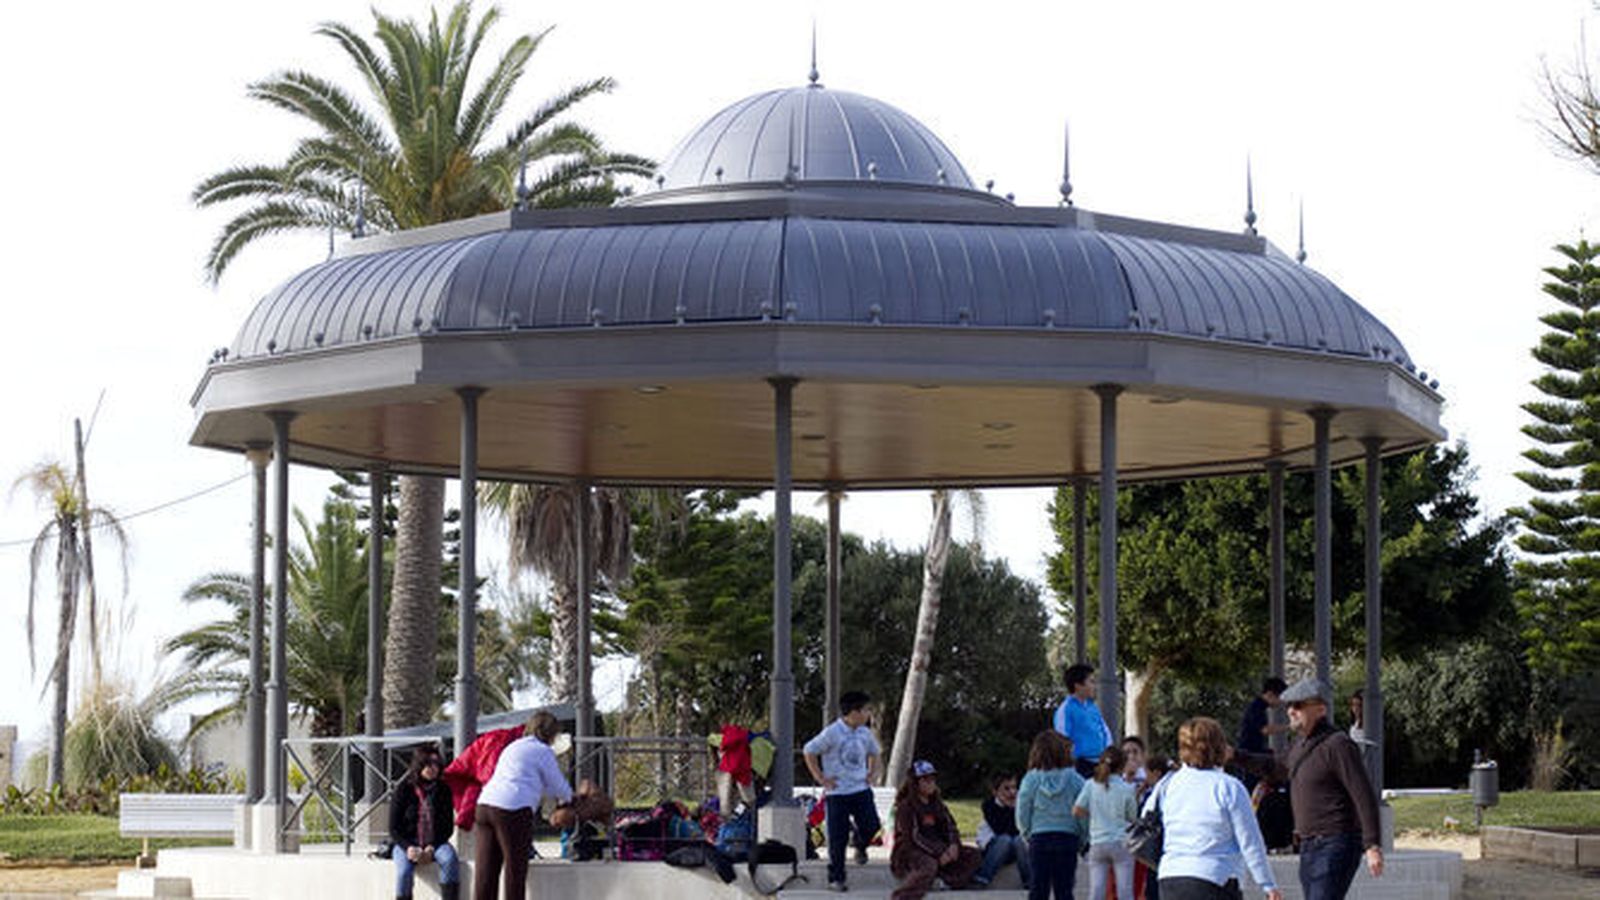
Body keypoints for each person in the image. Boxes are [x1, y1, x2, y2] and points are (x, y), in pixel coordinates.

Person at [1237, 679, 1383, 900]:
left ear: (1320, 709)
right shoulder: (1299, 745)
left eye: (1299, 706)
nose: (1291, 711)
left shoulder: (1338, 744)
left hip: (1336, 841)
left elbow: (1362, 794)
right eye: (1289, 706)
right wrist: (1234, 756)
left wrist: (1372, 844)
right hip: (1308, 844)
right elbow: (1274, 767)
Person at [1149, 717, 1281, 900]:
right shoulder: (1229, 787)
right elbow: (1250, 840)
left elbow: (1146, 818)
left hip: (1171, 876)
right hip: (1215, 876)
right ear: (1220, 748)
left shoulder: (1168, 784)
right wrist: (1267, 884)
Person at [473, 710, 573, 900]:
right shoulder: (543, 751)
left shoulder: (514, 746)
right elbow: (557, 784)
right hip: (512, 809)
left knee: (486, 870)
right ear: (550, 734)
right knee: (515, 869)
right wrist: (571, 797)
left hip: (485, 805)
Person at [803, 690, 883, 892]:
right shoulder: (833, 732)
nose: (867, 714)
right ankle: (836, 878)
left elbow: (875, 752)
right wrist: (821, 778)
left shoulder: (865, 733)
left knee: (872, 824)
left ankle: (859, 842)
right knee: (837, 838)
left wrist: (872, 773)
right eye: (865, 710)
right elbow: (809, 750)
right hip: (837, 793)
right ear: (853, 712)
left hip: (860, 789)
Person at [889, 760, 982, 899]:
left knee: (973, 855)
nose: (931, 783)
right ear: (915, 782)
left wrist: (953, 845)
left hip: (940, 848)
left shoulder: (937, 804)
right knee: (928, 865)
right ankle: (903, 896)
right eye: (926, 780)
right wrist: (939, 853)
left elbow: (951, 826)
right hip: (911, 851)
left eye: (932, 779)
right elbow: (913, 837)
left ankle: (944, 882)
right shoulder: (906, 807)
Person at [1017, 730, 1087, 900]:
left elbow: (1022, 810)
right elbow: (1084, 813)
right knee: (1064, 890)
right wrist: (1083, 838)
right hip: (1068, 837)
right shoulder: (1076, 780)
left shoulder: (1030, 779)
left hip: (1039, 837)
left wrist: (1026, 833)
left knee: (1038, 889)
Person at [389, 745, 460, 900]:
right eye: (428, 764)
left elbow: (448, 827)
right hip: (407, 842)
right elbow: (393, 828)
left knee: (449, 859)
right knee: (404, 872)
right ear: (419, 765)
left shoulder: (443, 790)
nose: (432, 768)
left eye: (436, 764)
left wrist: (432, 847)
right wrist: (408, 848)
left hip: (436, 842)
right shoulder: (404, 789)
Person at [1074, 745, 1138, 900]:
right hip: (1121, 843)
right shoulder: (1127, 788)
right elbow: (1132, 817)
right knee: (1125, 891)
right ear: (1122, 766)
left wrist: (1094, 813)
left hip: (1097, 842)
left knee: (1096, 891)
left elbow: (1076, 810)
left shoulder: (1090, 784)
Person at [1054, 662, 1113, 778]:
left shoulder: (1093, 707)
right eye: (1091, 681)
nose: (1094, 686)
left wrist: (1108, 753)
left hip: (1100, 763)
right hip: (1081, 766)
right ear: (1078, 685)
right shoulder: (1066, 709)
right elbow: (1062, 739)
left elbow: (1105, 731)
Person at [972, 773, 1031, 888]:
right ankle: (982, 878)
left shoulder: (1022, 804)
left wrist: (1016, 808)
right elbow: (1002, 829)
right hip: (994, 847)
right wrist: (1010, 808)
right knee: (1005, 839)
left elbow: (1023, 830)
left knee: (1019, 840)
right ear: (995, 792)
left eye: (1014, 787)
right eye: (1006, 788)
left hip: (1017, 847)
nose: (1012, 792)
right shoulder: (989, 806)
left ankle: (1030, 881)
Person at [1238, 677, 1289, 755]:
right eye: (1280, 698)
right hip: (1249, 752)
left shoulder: (1260, 706)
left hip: (1253, 750)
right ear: (1270, 694)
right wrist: (1289, 727)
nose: (1281, 702)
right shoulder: (1256, 707)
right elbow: (1265, 729)